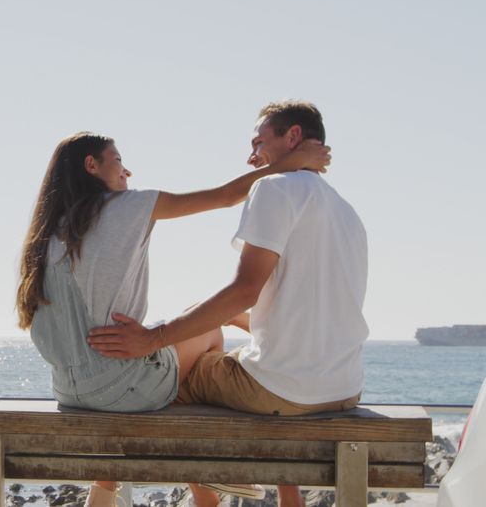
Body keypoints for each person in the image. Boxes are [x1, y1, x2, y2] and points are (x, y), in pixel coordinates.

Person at [17, 129, 330, 507]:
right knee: (208, 333)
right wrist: (293, 163)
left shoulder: (49, 232)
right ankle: (214, 474)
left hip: (68, 391)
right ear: (91, 165)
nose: (126, 172)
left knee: (171, 342)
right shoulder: (128, 206)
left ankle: (110, 492)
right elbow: (226, 196)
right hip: (120, 388)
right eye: (117, 160)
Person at [87, 100, 368, 507]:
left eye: (259, 143)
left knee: (172, 376)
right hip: (344, 387)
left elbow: (243, 289)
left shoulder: (274, 188)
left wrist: (152, 339)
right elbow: (313, 317)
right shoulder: (346, 211)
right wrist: (239, 319)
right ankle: (284, 494)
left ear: (292, 138)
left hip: (285, 392)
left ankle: (193, 490)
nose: (252, 157)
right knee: (217, 342)